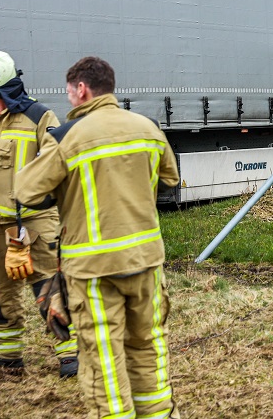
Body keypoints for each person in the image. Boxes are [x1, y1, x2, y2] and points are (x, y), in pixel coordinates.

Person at [14, 57, 181, 418]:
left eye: (70, 93)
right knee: (148, 345)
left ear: (82, 90)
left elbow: (25, 190)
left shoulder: (66, 138)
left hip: (92, 271)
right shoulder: (148, 128)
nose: (69, 100)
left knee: (102, 356)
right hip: (146, 262)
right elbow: (170, 180)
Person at [0, 50, 78, 378]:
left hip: (33, 222)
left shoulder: (38, 116)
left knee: (49, 289)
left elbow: (57, 163)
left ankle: (71, 356)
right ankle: (6, 358)